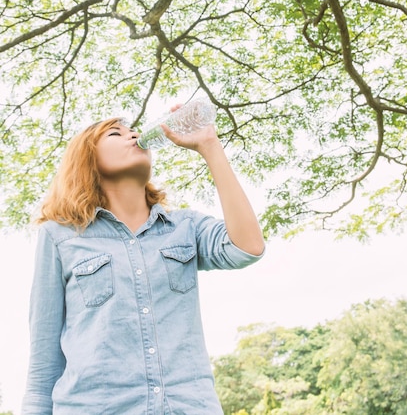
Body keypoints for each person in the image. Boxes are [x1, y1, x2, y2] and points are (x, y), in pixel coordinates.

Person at [22, 107, 265, 414]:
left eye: (134, 131)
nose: (134, 135)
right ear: (88, 159)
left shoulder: (185, 227)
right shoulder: (60, 236)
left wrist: (209, 145)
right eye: (116, 133)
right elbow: (44, 364)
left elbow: (248, 247)